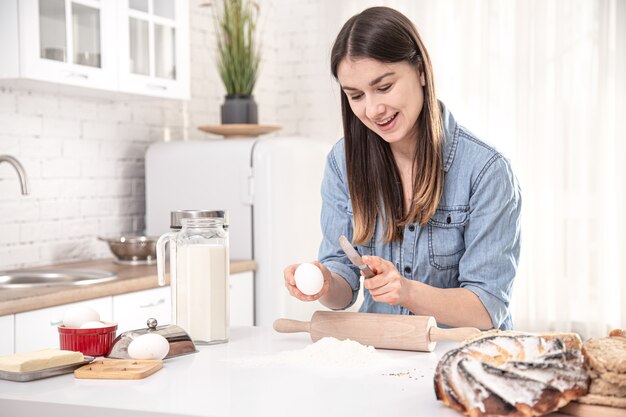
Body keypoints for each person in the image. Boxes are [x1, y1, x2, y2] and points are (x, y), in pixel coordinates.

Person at [283, 6, 521, 330]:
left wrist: (406, 292)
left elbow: (486, 308)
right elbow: (344, 283)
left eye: (384, 87)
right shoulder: (342, 164)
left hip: (458, 362)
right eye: (356, 96)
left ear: (420, 71)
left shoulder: (486, 172)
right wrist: (325, 282)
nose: (372, 109)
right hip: (382, 358)